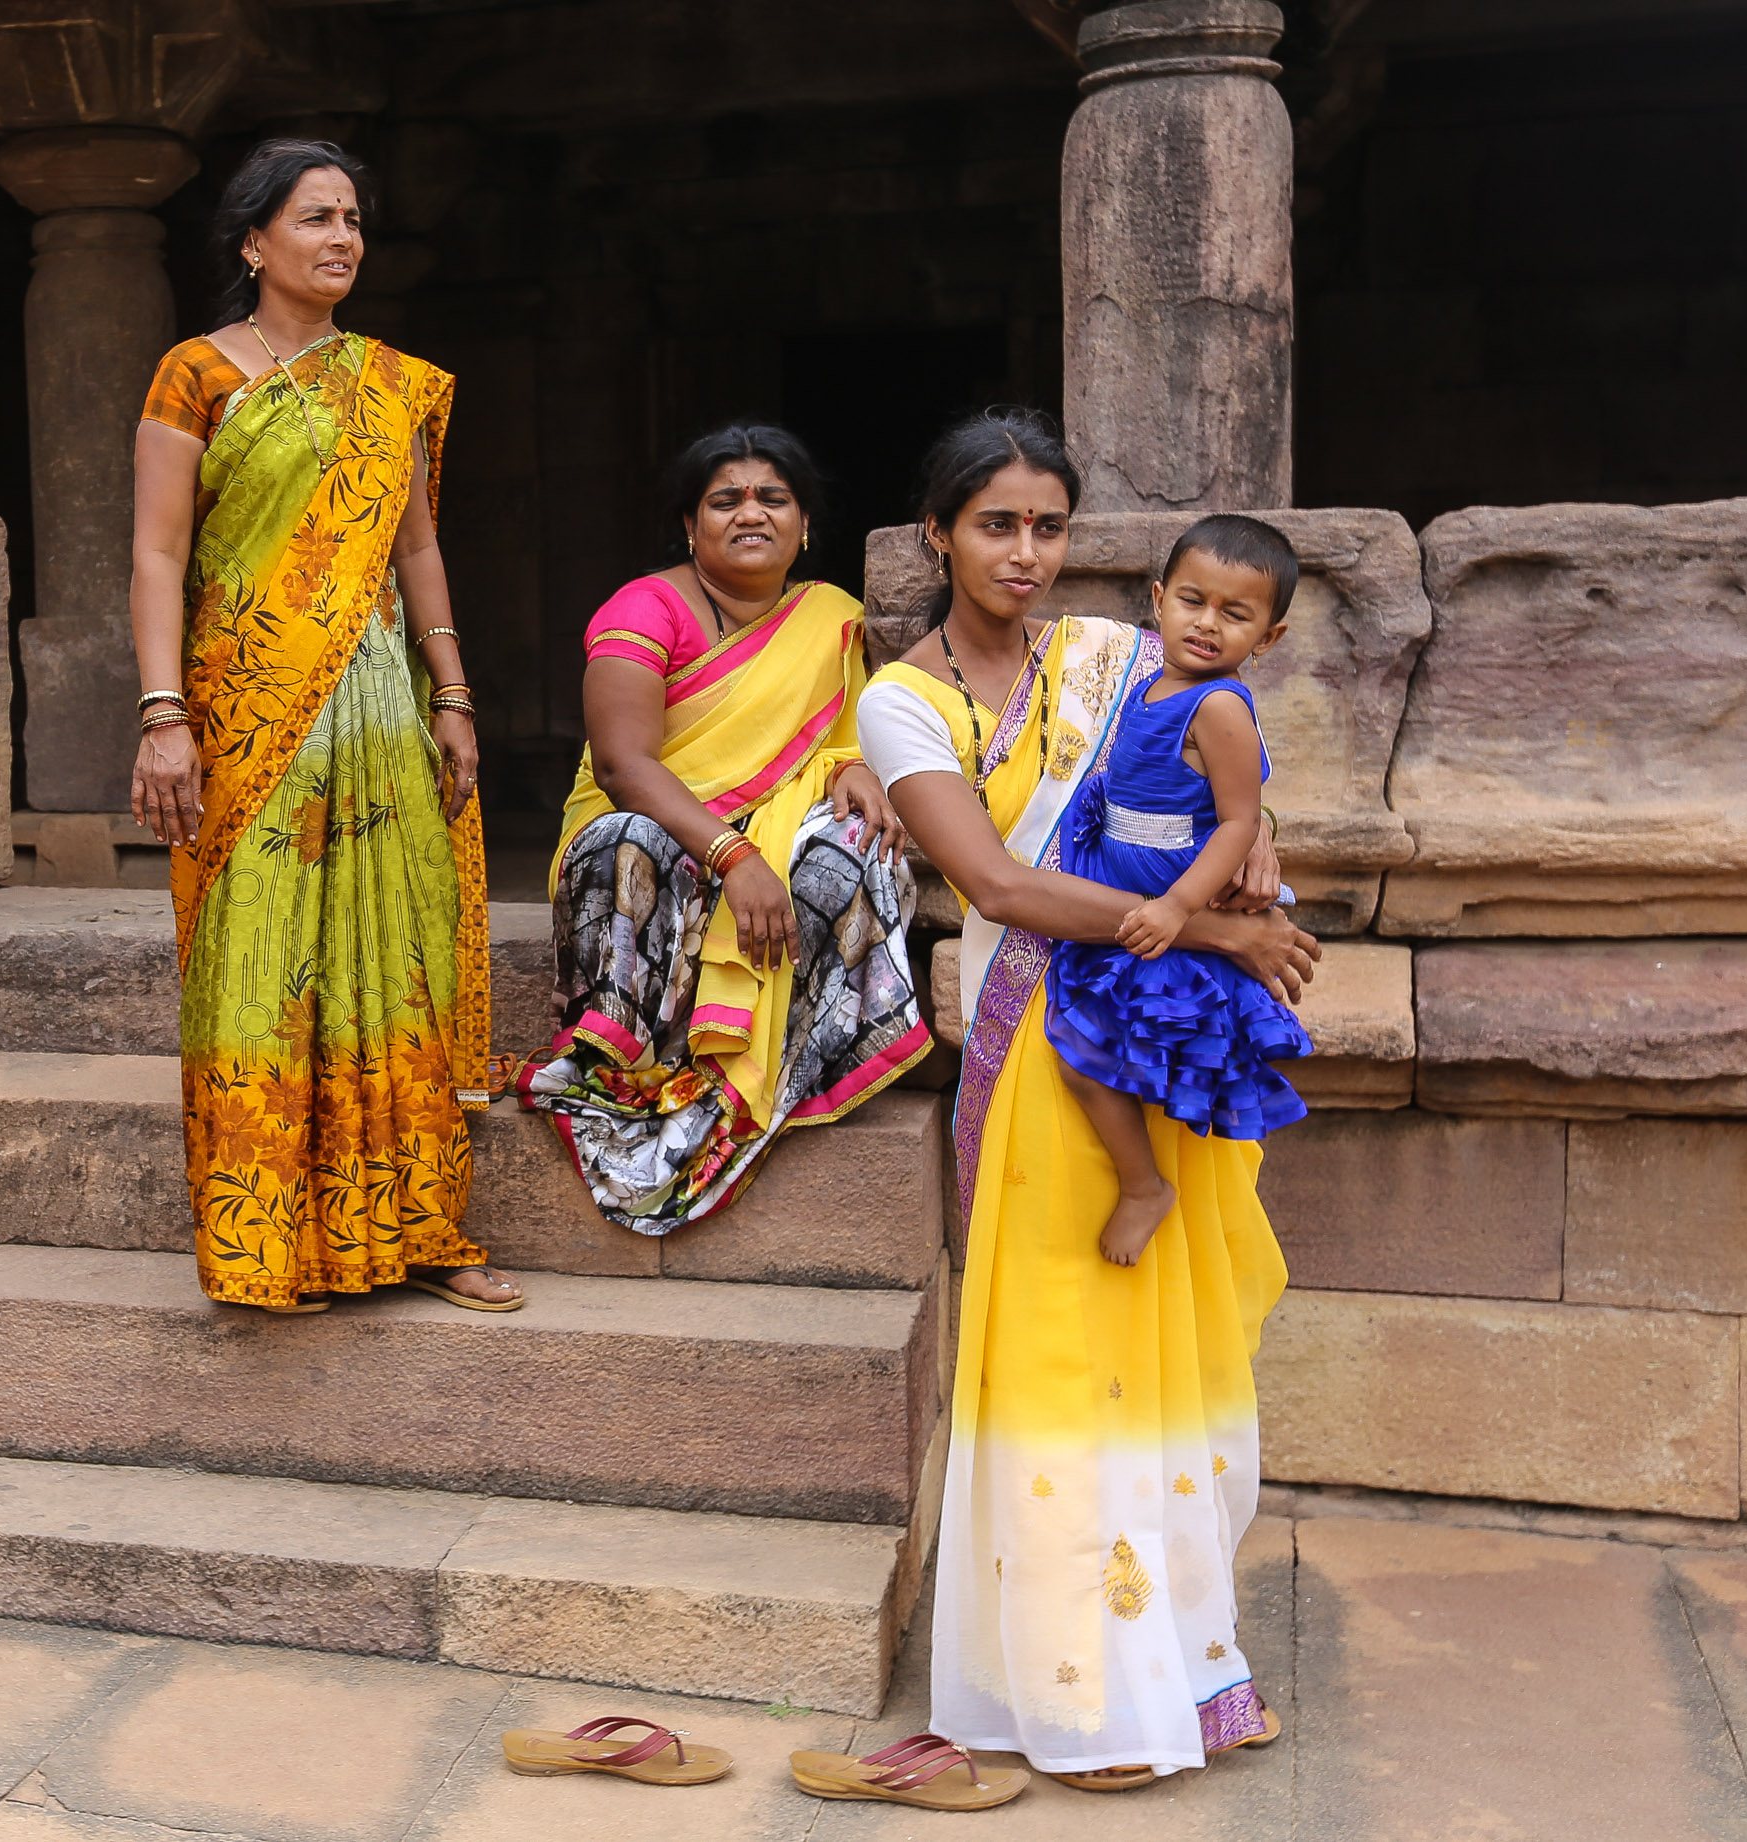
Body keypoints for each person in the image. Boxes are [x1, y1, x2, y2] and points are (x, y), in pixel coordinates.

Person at [855, 408, 1318, 1792]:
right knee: (1065, 1366)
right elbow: (996, 886)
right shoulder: (903, 702)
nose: (1026, 552)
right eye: (996, 523)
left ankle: (1189, 1672)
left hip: (1156, 1044)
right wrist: (1218, 927)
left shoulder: (1119, 655)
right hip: (1038, 1051)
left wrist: (1257, 872)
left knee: (1170, 1360)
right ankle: (1076, 1692)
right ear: (939, 533)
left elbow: (1229, 778)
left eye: (1049, 526)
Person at [129, 137, 520, 1313]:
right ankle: (267, 1241)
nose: (342, 237)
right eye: (314, 218)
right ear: (254, 242)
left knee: (392, 959)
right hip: (247, 712)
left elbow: (416, 549)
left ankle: (419, 1229)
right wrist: (163, 716)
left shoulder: (386, 382)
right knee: (261, 962)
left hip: (379, 709)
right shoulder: (195, 374)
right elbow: (158, 551)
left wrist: (451, 694)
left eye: (352, 218)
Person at [519, 423, 927, 1232]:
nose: (752, 513)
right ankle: (624, 1062)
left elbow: (843, 734)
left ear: (804, 524)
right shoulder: (646, 606)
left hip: (776, 826)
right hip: (653, 833)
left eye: (773, 498)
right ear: (689, 524)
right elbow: (623, 766)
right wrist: (734, 852)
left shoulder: (833, 617)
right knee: (629, 842)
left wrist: (851, 764)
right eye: (725, 499)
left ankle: (784, 1058)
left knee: (855, 853)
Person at [1046, 513, 1313, 1267]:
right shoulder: (1149, 685)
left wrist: (1177, 906)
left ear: (1269, 638)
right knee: (1088, 1050)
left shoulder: (1219, 705)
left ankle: (1146, 1187)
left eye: (1236, 614)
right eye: (1193, 601)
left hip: (1172, 896)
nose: (1207, 624)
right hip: (1121, 882)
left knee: (1098, 1053)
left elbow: (1237, 822)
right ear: (1158, 598)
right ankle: (1144, 1182)